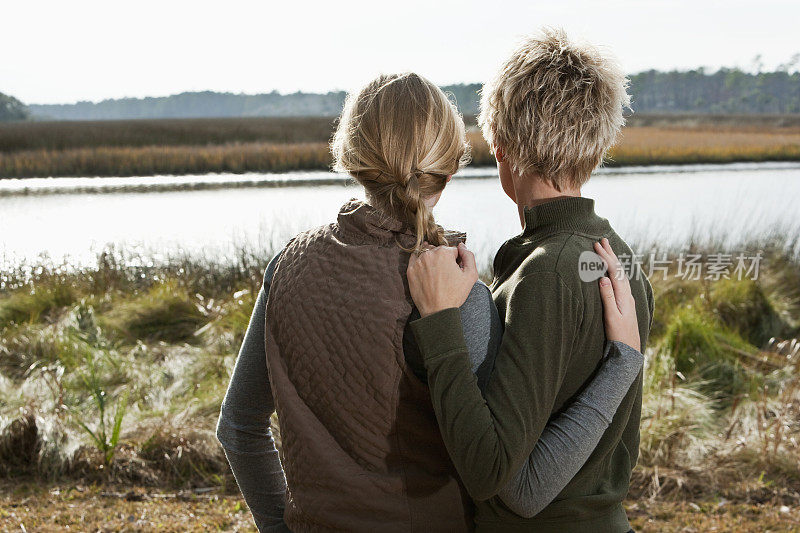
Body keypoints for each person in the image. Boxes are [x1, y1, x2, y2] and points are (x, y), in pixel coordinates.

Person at [216, 72, 644, 532]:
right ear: (450, 166)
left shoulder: (287, 266)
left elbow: (238, 428)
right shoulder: (456, 296)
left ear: (350, 154)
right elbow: (514, 480)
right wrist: (624, 363)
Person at [406, 29, 655, 533]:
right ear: (599, 139)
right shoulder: (619, 256)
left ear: (500, 143)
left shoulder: (546, 273)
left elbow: (493, 472)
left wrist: (439, 328)